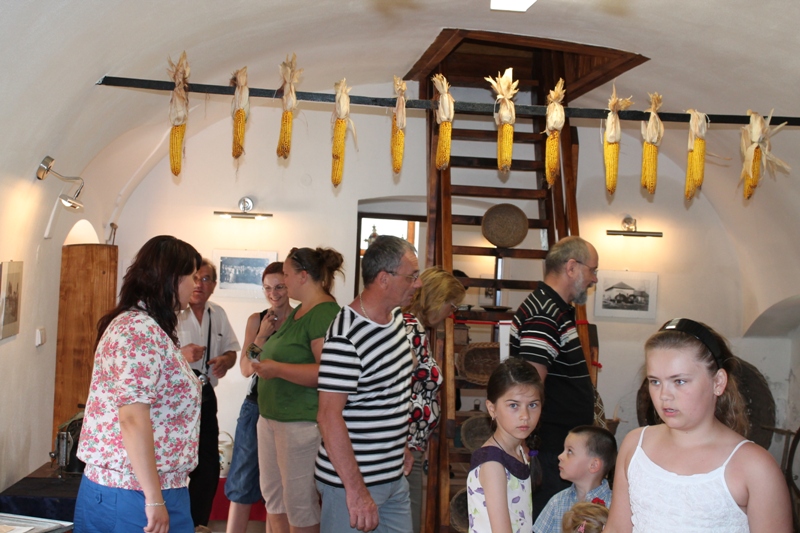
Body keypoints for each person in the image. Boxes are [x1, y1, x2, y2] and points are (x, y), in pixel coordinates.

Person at [605, 318, 792, 533]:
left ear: (718, 382)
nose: (664, 395)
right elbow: (617, 528)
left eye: (679, 381)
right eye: (655, 381)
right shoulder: (635, 445)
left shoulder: (755, 466)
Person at [74, 235, 202, 533]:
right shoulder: (137, 330)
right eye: (193, 276)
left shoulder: (149, 326)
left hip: (152, 487)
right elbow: (132, 417)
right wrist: (154, 499)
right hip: (133, 491)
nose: (196, 285)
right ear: (172, 278)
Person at [315, 235, 422, 533]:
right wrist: (356, 491)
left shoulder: (396, 318)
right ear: (384, 279)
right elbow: (328, 416)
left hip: (392, 476)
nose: (418, 284)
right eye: (411, 276)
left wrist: (398, 444)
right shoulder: (346, 337)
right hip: (352, 485)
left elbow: (391, 392)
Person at [252, 247, 343, 533]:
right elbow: (249, 361)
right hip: (272, 418)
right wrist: (261, 343)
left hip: (298, 423)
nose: (284, 282)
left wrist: (277, 369)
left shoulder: (323, 313)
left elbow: (328, 373)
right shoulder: (295, 313)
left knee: (299, 504)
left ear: (303, 276)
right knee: (274, 498)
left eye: (287, 276)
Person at [510, 235, 598, 518]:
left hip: (557, 448)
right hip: (549, 450)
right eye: (592, 270)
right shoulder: (544, 313)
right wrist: (525, 441)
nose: (594, 279)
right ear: (571, 267)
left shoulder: (554, 309)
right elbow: (528, 387)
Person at [224, 262, 292, 533]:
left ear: (290, 285)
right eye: (267, 288)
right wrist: (262, 336)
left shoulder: (301, 319)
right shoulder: (257, 319)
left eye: (279, 287)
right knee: (242, 481)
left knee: (279, 487)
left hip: (288, 408)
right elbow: (245, 368)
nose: (273, 294)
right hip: (256, 406)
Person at [177, 258, 241, 531]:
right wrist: (182, 355)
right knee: (175, 462)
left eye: (205, 279)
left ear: (214, 285)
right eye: (195, 278)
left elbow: (232, 351)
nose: (199, 285)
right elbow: (154, 357)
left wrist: (226, 360)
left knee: (209, 467)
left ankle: (197, 524)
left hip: (204, 395)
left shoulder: (218, 313)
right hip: (176, 398)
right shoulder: (173, 313)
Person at [402, 266, 466, 533]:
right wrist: (402, 442)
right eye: (452, 305)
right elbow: (397, 389)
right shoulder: (411, 328)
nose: (451, 313)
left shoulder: (415, 328)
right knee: (406, 522)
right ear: (438, 299)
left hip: (411, 444)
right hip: (404, 446)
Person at [466, 357, 543, 533]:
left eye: (532, 405)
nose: (525, 415)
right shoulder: (492, 464)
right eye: (514, 405)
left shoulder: (519, 451)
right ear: (492, 409)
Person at [534, 425, 616, 533]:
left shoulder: (615, 506)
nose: (560, 456)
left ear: (593, 465)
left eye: (570, 451)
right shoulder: (557, 502)